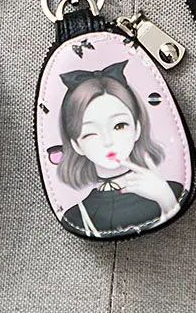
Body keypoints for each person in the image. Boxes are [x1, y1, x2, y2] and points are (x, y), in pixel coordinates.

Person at [57, 61, 184, 238]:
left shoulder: (172, 191)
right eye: (90, 133)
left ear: (137, 128)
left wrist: (166, 198)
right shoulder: (76, 215)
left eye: (119, 126)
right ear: (76, 145)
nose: (107, 141)